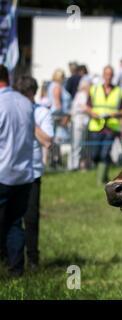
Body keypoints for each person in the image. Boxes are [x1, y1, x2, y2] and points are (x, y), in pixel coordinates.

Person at [14, 75, 53, 269]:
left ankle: (33, 259)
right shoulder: (10, 109)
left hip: (32, 174)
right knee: (9, 219)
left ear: (33, 94)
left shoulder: (41, 113)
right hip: (10, 172)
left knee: (30, 219)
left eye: (26, 95)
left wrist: (29, 119)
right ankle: (9, 257)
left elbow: (47, 141)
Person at [0, 65, 35, 276]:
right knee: (15, 223)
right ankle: (16, 269)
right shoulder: (25, 102)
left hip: (2, 171)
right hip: (23, 174)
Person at [86, 65, 122, 185]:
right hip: (96, 125)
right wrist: (92, 113)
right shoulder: (94, 89)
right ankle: (105, 176)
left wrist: (113, 114)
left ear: (113, 76)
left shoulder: (120, 91)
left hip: (111, 127)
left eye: (110, 74)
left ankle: (101, 180)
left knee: (105, 153)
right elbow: (88, 107)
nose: (108, 76)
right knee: (95, 155)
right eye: (106, 74)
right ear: (103, 75)